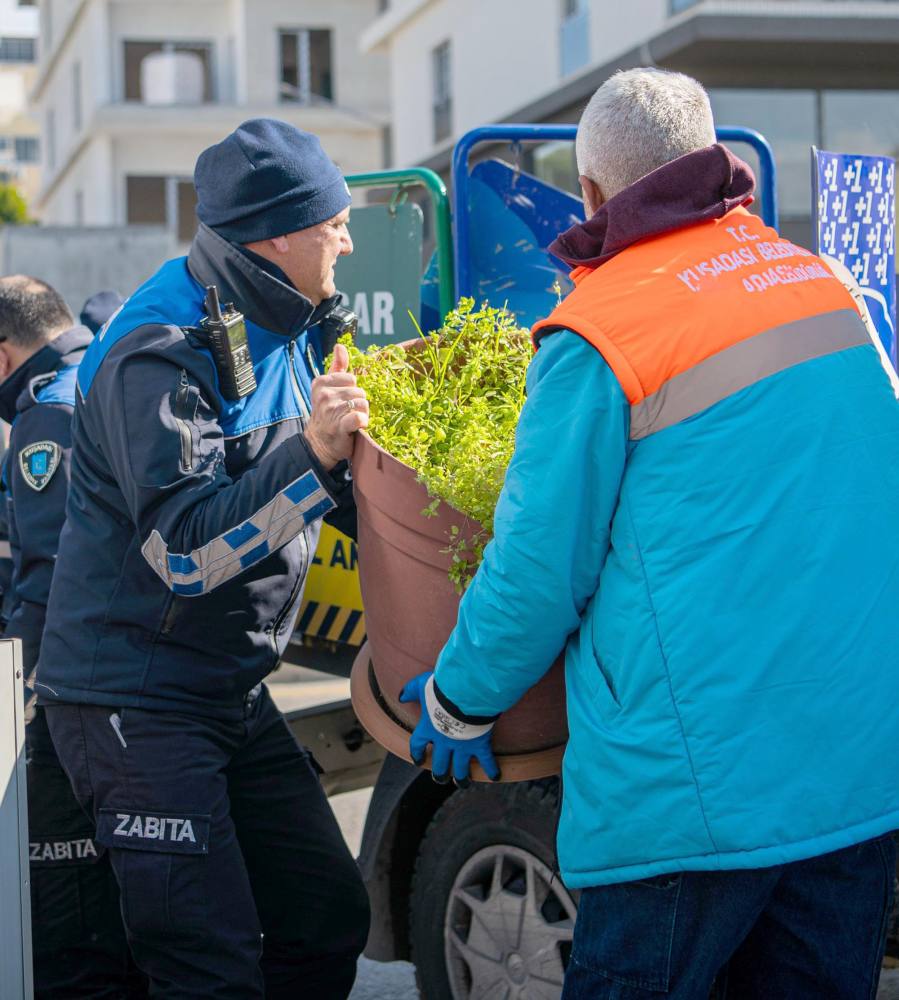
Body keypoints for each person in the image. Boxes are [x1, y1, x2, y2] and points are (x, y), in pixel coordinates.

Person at [399, 69, 899, 999]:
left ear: (589, 191)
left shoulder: (600, 330)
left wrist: (458, 704)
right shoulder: (829, 286)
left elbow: (536, 572)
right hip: (853, 779)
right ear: (713, 162)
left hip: (689, 802)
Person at [38, 120, 371, 998]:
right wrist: (315, 456)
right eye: (334, 217)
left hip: (224, 684)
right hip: (135, 700)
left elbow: (299, 490)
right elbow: (183, 554)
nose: (348, 233)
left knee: (326, 917)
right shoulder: (161, 348)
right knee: (206, 965)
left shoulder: (287, 319)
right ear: (277, 234)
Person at [0, 276, 145, 997]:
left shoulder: (45, 414)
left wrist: (19, 694)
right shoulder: (104, 368)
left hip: (75, 685)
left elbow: (52, 569)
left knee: (68, 892)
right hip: (142, 672)